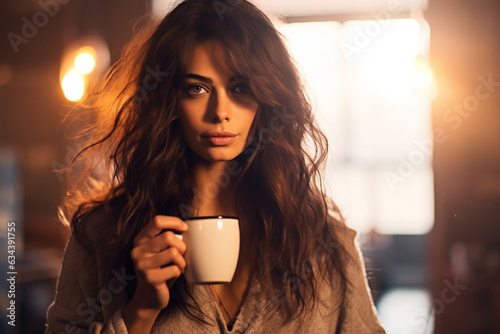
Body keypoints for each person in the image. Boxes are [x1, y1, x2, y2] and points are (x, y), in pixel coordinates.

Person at [45, 0, 385, 333]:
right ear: (169, 100)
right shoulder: (102, 235)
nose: (220, 111)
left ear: (267, 97)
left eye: (240, 87)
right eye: (197, 88)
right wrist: (140, 311)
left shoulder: (325, 243)